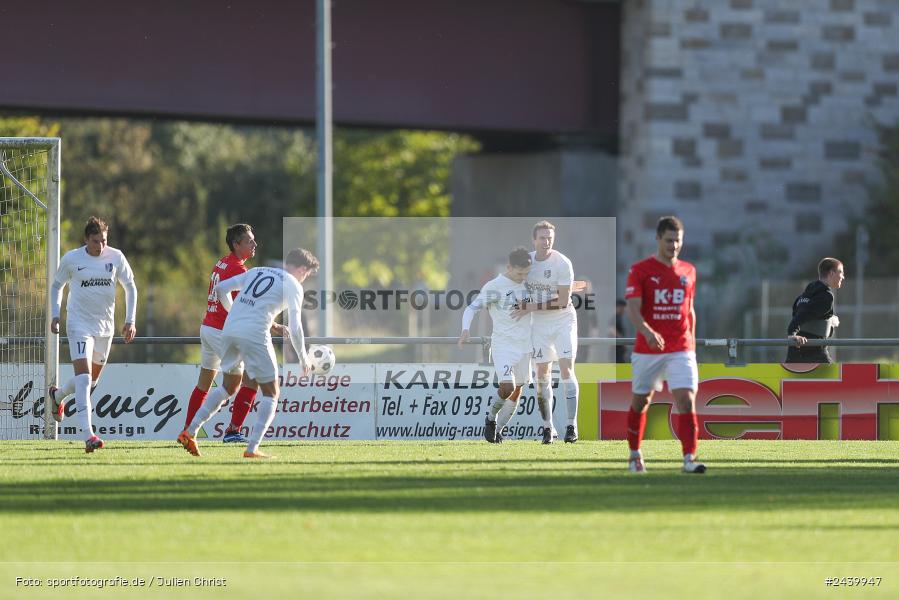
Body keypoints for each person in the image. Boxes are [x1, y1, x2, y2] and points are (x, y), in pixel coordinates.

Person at [178, 248, 318, 459]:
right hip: (255, 334)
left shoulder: (257, 271)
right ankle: (252, 448)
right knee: (272, 392)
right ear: (301, 269)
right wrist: (303, 357)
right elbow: (296, 327)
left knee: (229, 386)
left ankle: (190, 432)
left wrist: (235, 313)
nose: (304, 278)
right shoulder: (293, 285)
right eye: (306, 274)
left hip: (230, 330)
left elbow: (221, 288)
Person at [48, 216, 137, 453]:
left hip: (105, 328)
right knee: (84, 379)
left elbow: (130, 286)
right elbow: (57, 285)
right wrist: (55, 314)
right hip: (79, 325)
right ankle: (89, 436)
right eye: (96, 241)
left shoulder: (116, 257)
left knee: (91, 383)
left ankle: (57, 396)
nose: (101, 246)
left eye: (104, 241)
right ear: (86, 239)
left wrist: (130, 320)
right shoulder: (72, 259)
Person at [624, 216, 705, 474]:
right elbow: (633, 309)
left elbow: (689, 310)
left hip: (681, 347)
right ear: (658, 239)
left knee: (686, 400)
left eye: (678, 241)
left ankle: (689, 459)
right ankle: (635, 455)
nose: (674, 246)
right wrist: (647, 332)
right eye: (669, 241)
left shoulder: (689, 271)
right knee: (641, 401)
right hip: (649, 348)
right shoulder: (640, 270)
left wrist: (691, 346)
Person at [182, 223, 274, 444]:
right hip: (222, 332)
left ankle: (187, 430)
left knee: (204, 383)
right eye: (249, 241)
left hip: (208, 328)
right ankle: (233, 431)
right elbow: (249, 306)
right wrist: (272, 324)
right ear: (236, 244)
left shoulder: (222, 262)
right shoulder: (239, 270)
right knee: (247, 380)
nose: (255, 244)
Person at [513, 221, 579, 444]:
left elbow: (562, 301)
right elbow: (511, 281)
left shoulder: (562, 263)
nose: (546, 241)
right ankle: (548, 428)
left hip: (563, 320)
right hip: (539, 324)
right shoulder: (527, 262)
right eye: (542, 238)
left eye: (550, 237)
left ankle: (571, 425)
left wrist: (531, 306)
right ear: (534, 240)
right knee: (542, 374)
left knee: (566, 368)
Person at [459, 248, 534, 443]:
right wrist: (465, 329)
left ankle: (498, 430)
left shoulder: (530, 283)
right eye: (519, 273)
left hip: (525, 346)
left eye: (526, 273)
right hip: (503, 346)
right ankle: (491, 418)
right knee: (507, 387)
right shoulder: (494, 286)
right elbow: (471, 308)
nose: (523, 277)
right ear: (509, 267)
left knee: (517, 391)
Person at [785, 258, 845, 364]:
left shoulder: (806, 295)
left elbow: (806, 313)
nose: (843, 277)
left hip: (794, 354)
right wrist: (792, 334)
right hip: (814, 353)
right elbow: (802, 315)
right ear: (832, 273)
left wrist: (830, 320)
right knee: (834, 375)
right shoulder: (826, 296)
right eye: (841, 272)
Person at [612, 299, 629, 364]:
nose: (624, 310)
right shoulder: (615, 318)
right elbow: (612, 329)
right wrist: (622, 342)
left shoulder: (619, 317)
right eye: (622, 308)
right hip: (616, 347)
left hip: (619, 346)